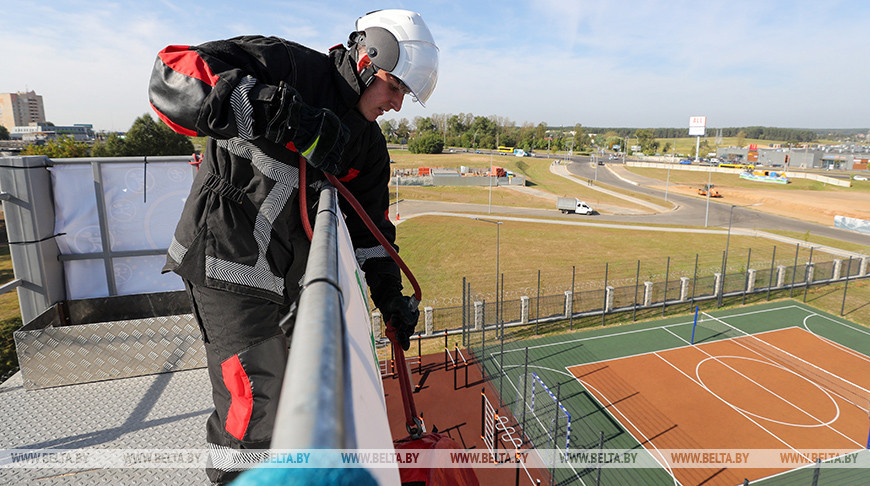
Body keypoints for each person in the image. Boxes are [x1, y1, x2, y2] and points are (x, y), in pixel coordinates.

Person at [147, 9, 438, 484]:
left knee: (283, 403)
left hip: (287, 284)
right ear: (366, 59)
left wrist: (388, 297)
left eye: (405, 93)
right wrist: (283, 116)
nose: (397, 104)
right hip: (226, 267)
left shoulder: (366, 145)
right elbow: (169, 77)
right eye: (394, 86)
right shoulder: (286, 66)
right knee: (251, 412)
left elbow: (372, 232)